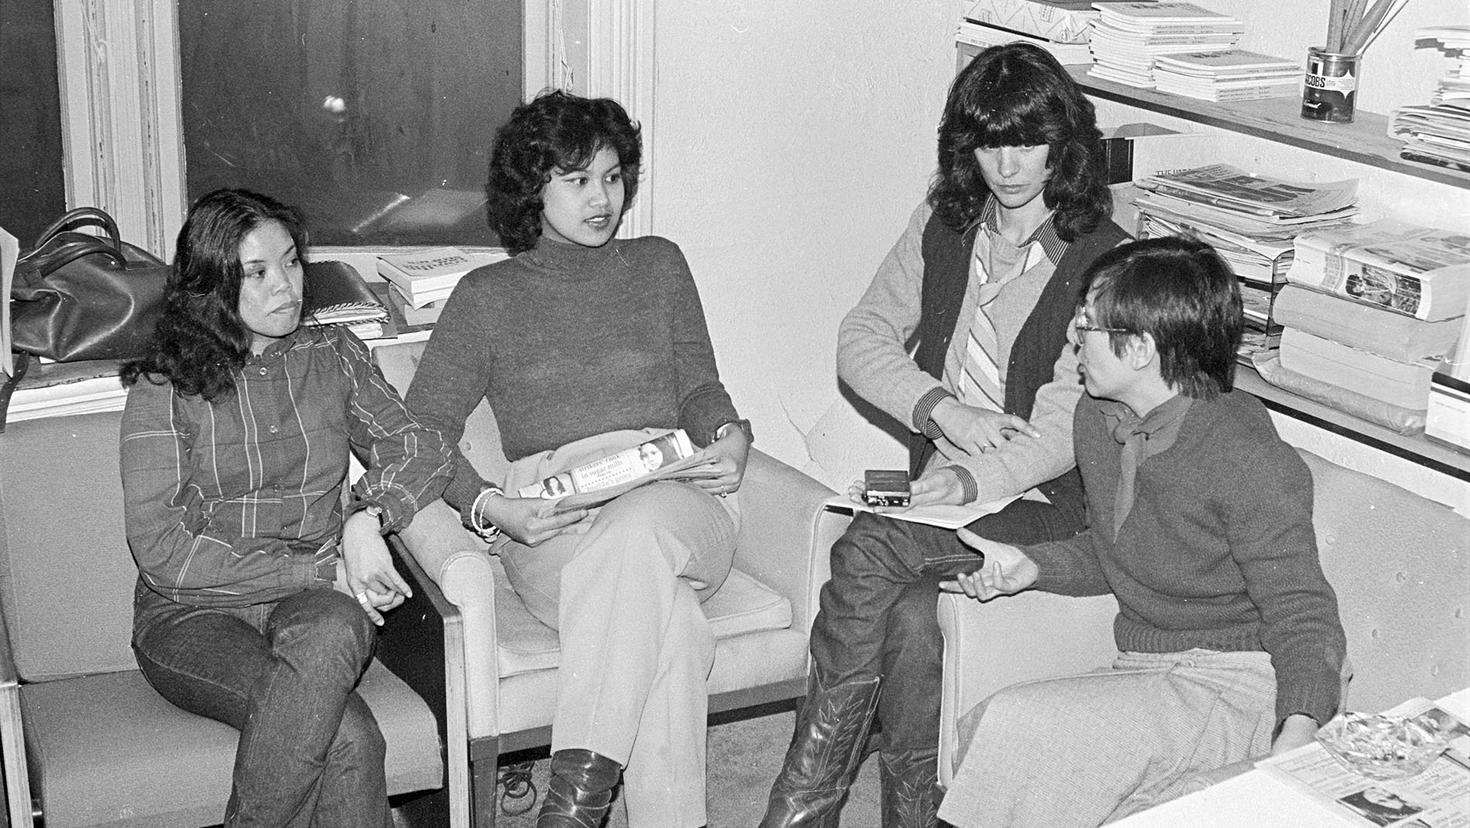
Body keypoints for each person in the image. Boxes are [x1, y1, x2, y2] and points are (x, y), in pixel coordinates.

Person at [762, 41, 1127, 827]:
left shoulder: (1104, 259)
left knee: (867, 546)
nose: (1010, 164)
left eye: (1029, 141)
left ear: (1064, 143)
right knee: (907, 620)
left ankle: (801, 805)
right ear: (968, 146)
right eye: (992, 142)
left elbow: (1064, 429)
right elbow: (860, 338)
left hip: (1048, 500)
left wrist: (965, 482)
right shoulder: (946, 221)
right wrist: (941, 411)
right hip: (943, 484)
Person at [403, 90, 752, 828]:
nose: (604, 198)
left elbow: (699, 385)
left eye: (615, 176)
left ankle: (571, 811)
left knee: (638, 535)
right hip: (554, 520)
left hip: (671, 494)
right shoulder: (486, 297)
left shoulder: (659, 265)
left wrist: (730, 431)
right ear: (533, 185)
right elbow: (422, 429)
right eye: (579, 179)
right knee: (676, 629)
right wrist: (491, 506)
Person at [938, 236, 1348, 827]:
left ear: (1139, 350)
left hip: (1244, 679)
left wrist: (1299, 729)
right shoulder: (1095, 417)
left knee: (1025, 730)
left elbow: (1303, 610)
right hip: (1152, 668)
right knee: (1003, 729)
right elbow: (1119, 549)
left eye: (1087, 328)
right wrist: (1033, 566)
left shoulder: (1248, 457)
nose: (1073, 341)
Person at [120, 188, 455, 826]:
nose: (288, 286)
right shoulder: (164, 385)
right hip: (190, 617)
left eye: (293, 262)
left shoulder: (334, 355)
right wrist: (320, 572)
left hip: (317, 607)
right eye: (258, 271)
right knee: (350, 738)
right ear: (213, 284)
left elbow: (423, 447)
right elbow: (163, 551)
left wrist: (369, 517)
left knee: (332, 629)